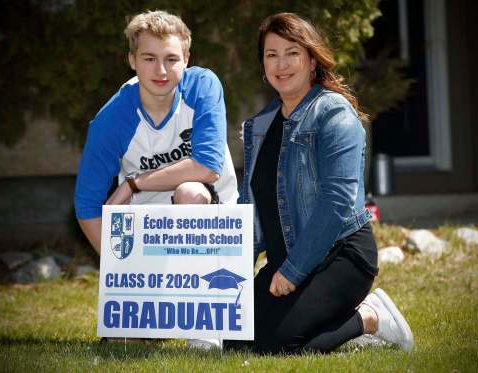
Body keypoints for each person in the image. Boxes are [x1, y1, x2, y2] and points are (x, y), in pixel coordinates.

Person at [224, 13, 413, 354]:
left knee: (281, 346)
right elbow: (250, 206)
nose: (281, 64)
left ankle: (370, 317)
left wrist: (294, 271)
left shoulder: (333, 114)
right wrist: (234, 274)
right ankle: (322, 316)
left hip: (340, 255)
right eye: (271, 54)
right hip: (285, 260)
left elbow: (337, 200)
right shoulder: (260, 126)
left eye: (292, 52)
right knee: (235, 340)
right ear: (263, 66)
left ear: (312, 60)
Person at [74, 10, 238, 349]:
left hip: (214, 227)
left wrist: (133, 184)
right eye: (149, 58)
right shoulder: (112, 120)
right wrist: (123, 273)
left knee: (190, 191)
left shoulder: (203, 87)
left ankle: (202, 323)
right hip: (150, 237)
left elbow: (207, 167)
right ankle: (159, 309)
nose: (160, 71)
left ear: (187, 59)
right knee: (124, 344)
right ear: (131, 60)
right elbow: (87, 206)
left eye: (171, 59)